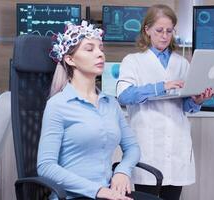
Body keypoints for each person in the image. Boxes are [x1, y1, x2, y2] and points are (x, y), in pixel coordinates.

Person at [116, 4, 214, 200]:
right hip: (148, 146)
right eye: (159, 30)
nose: (164, 35)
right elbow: (124, 95)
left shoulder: (182, 63)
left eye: (169, 31)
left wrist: (197, 100)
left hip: (177, 143)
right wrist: (162, 85)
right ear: (147, 30)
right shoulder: (133, 61)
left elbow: (185, 106)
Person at [37, 21, 140, 200]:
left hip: (109, 193)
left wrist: (122, 171)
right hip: (72, 196)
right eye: (89, 49)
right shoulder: (58, 105)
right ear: (70, 59)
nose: (100, 54)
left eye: (101, 48)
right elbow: (46, 166)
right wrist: (98, 190)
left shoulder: (111, 104)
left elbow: (132, 147)